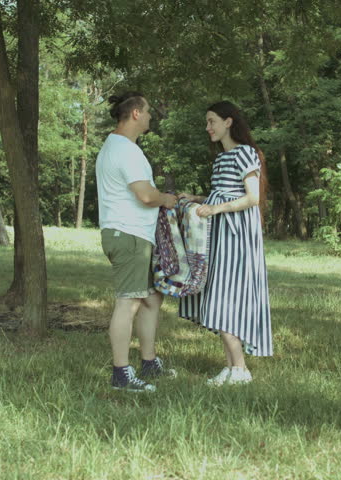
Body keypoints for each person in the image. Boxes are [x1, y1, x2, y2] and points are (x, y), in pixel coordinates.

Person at [178, 101, 273, 386]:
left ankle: (241, 370)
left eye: (212, 121)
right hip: (218, 234)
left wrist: (216, 209)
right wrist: (197, 199)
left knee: (225, 295)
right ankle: (232, 368)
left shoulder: (245, 154)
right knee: (216, 293)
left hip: (237, 235)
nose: (208, 128)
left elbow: (252, 198)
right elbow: (219, 195)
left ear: (228, 122)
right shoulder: (221, 159)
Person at [96, 91, 178, 392]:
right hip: (128, 235)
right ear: (134, 114)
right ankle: (121, 374)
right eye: (147, 112)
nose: (150, 117)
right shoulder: (126, 150)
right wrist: (166, 199)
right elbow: (145, 195)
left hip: (134, 235)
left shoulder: (115, 146)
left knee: (151, 298)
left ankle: (149, 362)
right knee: (128, 301)